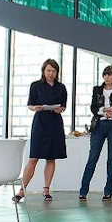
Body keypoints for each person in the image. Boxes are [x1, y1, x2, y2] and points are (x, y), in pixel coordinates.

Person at [14, 59, 68, 203]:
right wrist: (36, 107)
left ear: (57, 72)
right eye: (49, 70)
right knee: (33, 158)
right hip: (40, 123)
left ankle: (46, 189)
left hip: (55, 124)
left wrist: (60, 109)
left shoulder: (61, 87)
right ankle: (22, 190)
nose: (51, 74)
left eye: (54, 71)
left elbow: (63, 107)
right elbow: (30, 105)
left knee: (51, 158)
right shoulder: (35, 86)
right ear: (44, 71)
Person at [79, 65, 112, 202]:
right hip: (98, 125)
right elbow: (93, 107)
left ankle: (108, 191)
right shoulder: (97, 90)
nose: (107, 77)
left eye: (109, 74)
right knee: (92, 158)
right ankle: (83, 190)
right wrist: (103, 111)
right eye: (105, 74)